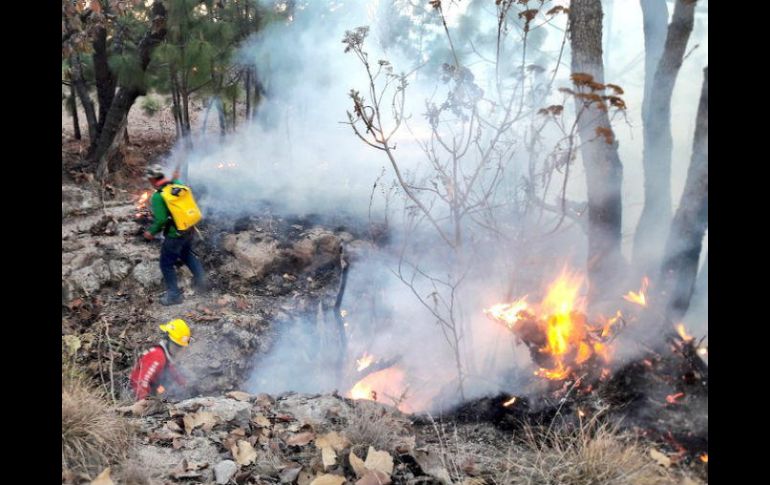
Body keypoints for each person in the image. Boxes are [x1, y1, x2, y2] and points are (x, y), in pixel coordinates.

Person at [143, 163, 207, 305]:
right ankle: (203, 281)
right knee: (186, 254)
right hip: (189, 228)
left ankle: (174, 295)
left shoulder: (158, 196)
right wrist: (175, 177)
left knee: (166, 264)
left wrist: (150, 232)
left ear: (152, 179)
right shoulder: (177, 184)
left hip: (174, 235)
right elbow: (177, 182)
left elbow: (161, 220)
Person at [129, 319, 191, 401]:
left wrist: (184, 384)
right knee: (163, 389)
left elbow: (171, 371)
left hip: (151, 388)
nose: (178, 350)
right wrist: (145, 402)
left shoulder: (164, 355)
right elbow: (141, 382)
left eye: (181, 347)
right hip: (136, 393)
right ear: (167, 340)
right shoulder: (157, 356)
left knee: (165, 386)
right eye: (177, 346)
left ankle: (159, 397)